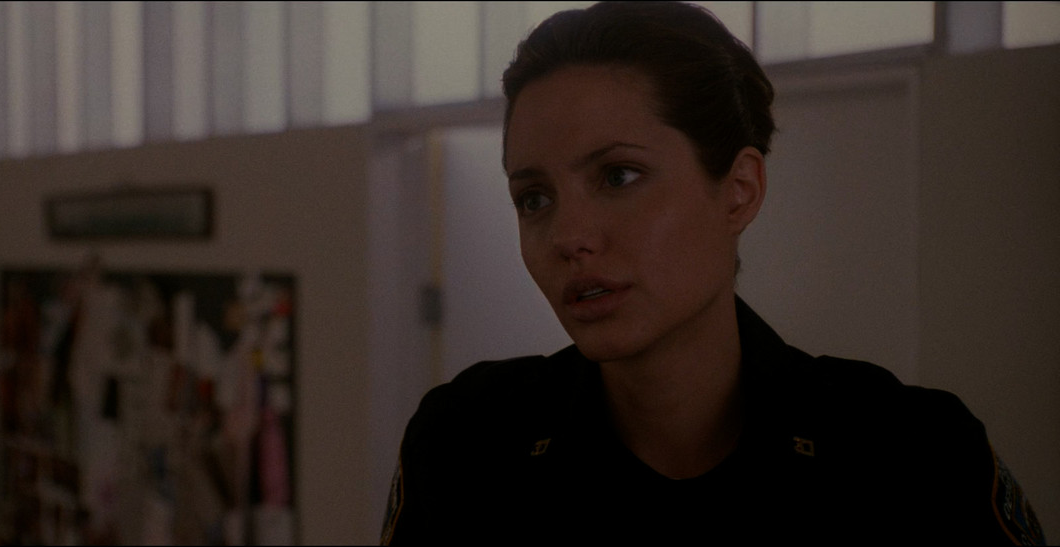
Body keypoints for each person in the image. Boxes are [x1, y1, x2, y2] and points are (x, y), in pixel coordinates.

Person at [379, 2, 1046, 544]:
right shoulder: (467, 448)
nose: (569, 237)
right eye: (533, 198)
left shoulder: (913, 459)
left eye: (619, 176)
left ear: (739, 191)